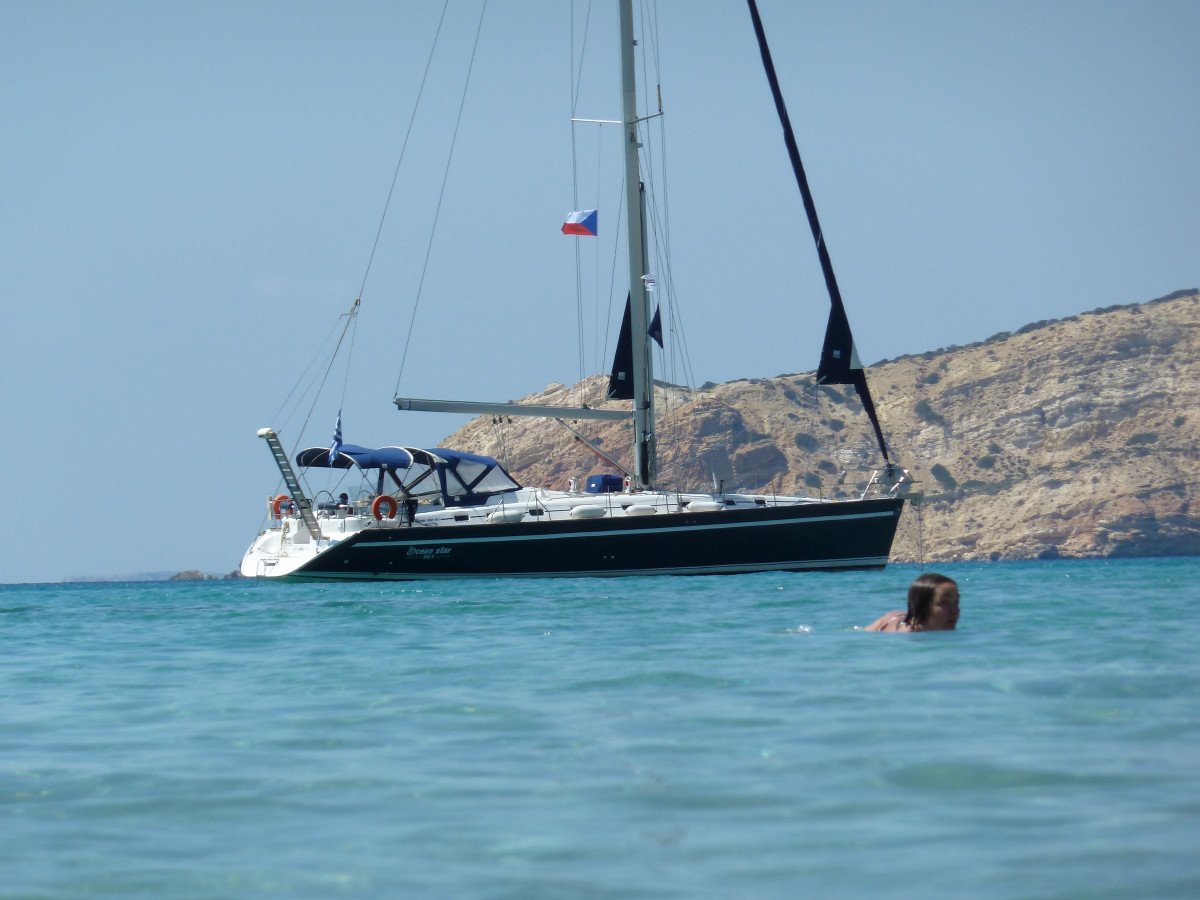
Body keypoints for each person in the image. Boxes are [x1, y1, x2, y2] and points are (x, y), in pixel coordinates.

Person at [866, 573, 959, 632]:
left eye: (956, 602)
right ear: (922, 607)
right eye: (944, 603)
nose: (955, 611)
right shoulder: (902, 635)